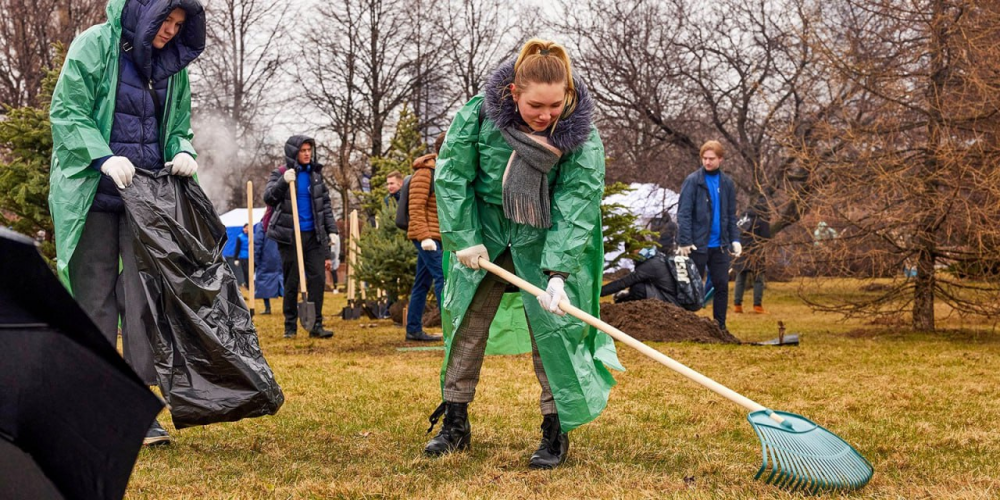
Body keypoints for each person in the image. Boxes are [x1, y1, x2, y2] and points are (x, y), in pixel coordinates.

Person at [425, 38, 622, 469]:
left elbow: (577, 202)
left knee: (554, 334)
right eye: (537, 106)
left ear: (568, 95)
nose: (547, 115)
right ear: (514, 94)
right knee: (466, 327)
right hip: (486, 235)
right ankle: (455, 423)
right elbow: (453, 175)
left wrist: (557, 274)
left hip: (546, 237)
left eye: (556, 105)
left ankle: (555, 430)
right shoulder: (478, 116)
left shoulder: (580, 133)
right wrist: (464, 237)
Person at [48, 0, 206, 446]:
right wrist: (101, 156)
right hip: (92, 194)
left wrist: (183, 150)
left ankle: (138, 407)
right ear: (145, 12)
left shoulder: (173, 66)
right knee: (93, 300)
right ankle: (94, 401)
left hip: (145, 198)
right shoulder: (93, 46)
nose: (171, 32)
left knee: (143, 302)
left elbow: (178, 125)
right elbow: (68, 112)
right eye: (166, 21)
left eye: (179, 25)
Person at [263, 136, 338, 339]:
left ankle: (316, 324)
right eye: (303, 150)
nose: (307, 154)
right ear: (294, 152)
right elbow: (268, 197)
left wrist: (332, 231)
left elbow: (325, 206)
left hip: (313, 235)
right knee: (292, 280)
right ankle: (290, 326)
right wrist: (283, 182)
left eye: (309, 150)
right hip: (289, 234)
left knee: (318, 278)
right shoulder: (281, 173)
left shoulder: (315, 175)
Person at [676, 140, 740, 331]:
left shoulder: (727, 183)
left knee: (721, 285)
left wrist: (735, 238)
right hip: (697, 245)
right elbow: (684, 213)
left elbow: (730, 214)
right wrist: (685, 240)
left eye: (712, 158)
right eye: (704, 158)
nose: (707, 162)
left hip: (720, 245)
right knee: (692, 287)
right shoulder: (693, 181)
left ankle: (720, 326)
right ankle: (685, 326)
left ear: (720, 159)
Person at [404, 133, 446, 342]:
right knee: (443, 278)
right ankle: (450, 329)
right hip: (428, 236)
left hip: (438, 235)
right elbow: (416, 207)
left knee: (421, 283)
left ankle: (413, 329)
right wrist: (424, 237)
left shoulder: (444, 170)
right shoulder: (424, 173)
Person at [600, 247, 678, 305]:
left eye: (630, 252)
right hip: (672, 296)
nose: (631, 256)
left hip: (671, 301)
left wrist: (599, 292)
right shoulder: (656, 255)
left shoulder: (649, 265)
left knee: (638, 288)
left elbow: (624, 282)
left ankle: (620, 305)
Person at [733, 202, 771, 314]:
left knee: (740, 277)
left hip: (741, 250)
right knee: (758, 279)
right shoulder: (762, 220)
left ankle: (737, 305)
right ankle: (757, 306)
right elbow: (766, 237)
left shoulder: (742, 219)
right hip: (756, 251)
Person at [253, 219, 283, 315]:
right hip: (280, 257)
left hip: (265, 259)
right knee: (283, 281)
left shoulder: (262, 225)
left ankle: (267, 308)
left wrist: (255, 260)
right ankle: (290, 306)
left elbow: (257, 243)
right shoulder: (281, 224)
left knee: (263, 283)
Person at [233, 223, 251, 287]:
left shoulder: (253, 236)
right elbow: (237, 248)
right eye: (246, 228)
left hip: (252, 257)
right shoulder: (240, 237)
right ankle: (248, 285)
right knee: (246, 272)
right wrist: (236, 258)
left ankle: (252, 285)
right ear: (243, 229)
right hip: (244, 257)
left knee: (253, 272)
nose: (247, 229)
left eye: (248, 228)